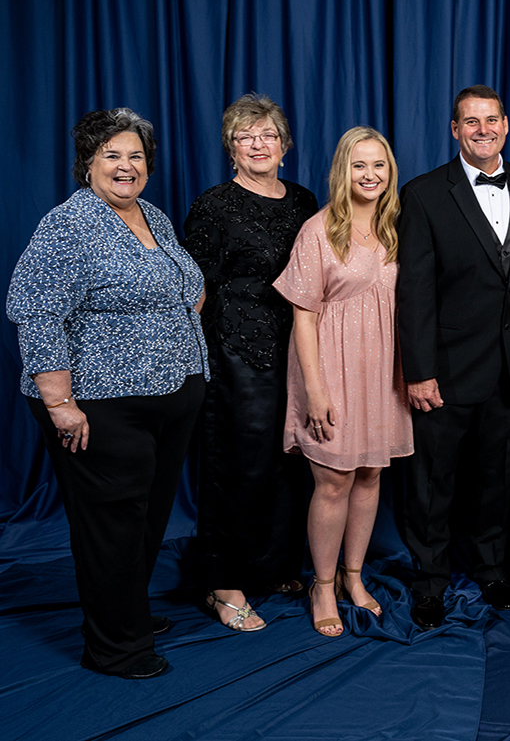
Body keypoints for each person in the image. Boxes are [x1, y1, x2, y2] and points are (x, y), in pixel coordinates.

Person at [7, 108, 208, 679]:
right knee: (112, 526)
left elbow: (183, 287)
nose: (126, 166)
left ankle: (129, 612)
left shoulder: (153, 215)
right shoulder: (68, 225)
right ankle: (115, 646)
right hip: (97, 402)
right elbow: (36, 313)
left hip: (168, 394)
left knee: (146, 518)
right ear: (88, 164)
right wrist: (60, 404)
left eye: (136, 156)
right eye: (112, 155)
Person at [397, 85, 510, 630]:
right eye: (470, 122)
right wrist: (419, 370)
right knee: (432, 482)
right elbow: (414, 291)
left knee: (496, 478)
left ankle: (492, 568)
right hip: (446, 370)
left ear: (506, 124)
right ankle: (429, 581)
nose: (483, 130)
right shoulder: (425, 193)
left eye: (492, 120)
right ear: (454, 130)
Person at [183, 93, 317, 632]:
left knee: (290, 461)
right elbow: (195, 288)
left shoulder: (304, 200)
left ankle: (274, 564)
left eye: (267, 136)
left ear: (285, 146)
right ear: (231, 149)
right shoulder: (214, 205)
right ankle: (224, 582)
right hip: (239, 348)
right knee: (237, 465)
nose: (258, 145)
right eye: (246, 137)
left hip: (300, 348)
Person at [274, 127, 413, 637]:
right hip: (330, 370)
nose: (370, 175)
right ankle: (324, 585)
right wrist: (315, 390)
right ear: (342, 172)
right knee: (333, 481)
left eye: (379, 165)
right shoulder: (318, 229)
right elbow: (303, 317)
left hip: (382, 371)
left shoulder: (397, 227)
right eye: (359, 165)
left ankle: (355, 577)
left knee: (372, 474)